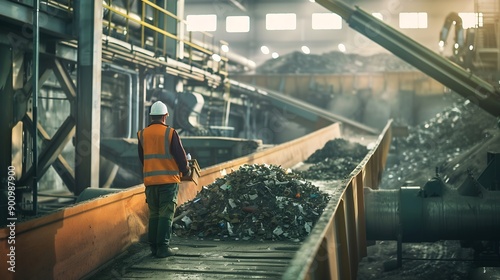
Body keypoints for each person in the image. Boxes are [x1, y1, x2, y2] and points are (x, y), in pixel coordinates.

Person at [137, 101, 191, 258]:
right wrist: (186, 170)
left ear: (151, 116)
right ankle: (163, 248)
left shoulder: (142, 134)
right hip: (168, 181)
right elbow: (181, 158)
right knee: (166, 214)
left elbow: (143, 158)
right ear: (165, 116)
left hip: (151, 183)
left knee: (154, 214)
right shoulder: (170, 133)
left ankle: (153, 247)